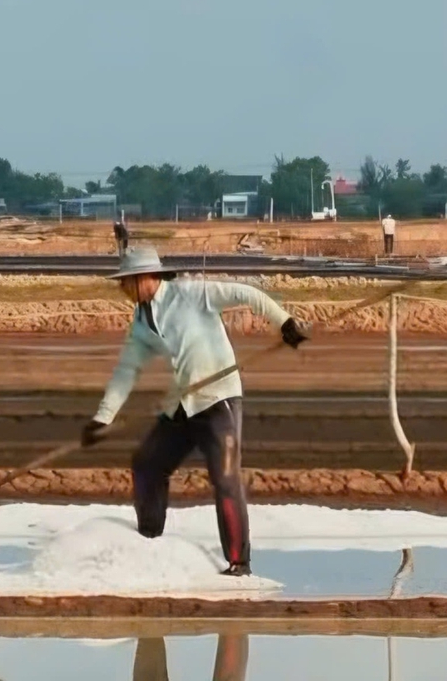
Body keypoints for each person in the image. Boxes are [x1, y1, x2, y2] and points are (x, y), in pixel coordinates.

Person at [82, 244, 307, 577]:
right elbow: (127, 369)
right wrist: (103, 417)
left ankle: (238, 563)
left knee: (225, 478)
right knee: (147, 463)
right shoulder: (142, 322)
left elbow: (246, 293)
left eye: (126, 281)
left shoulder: (191, 293)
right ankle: (149, 539)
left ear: (146, 278)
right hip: (181, 405)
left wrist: (284, 322)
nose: (122, 288)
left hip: (219, 400)